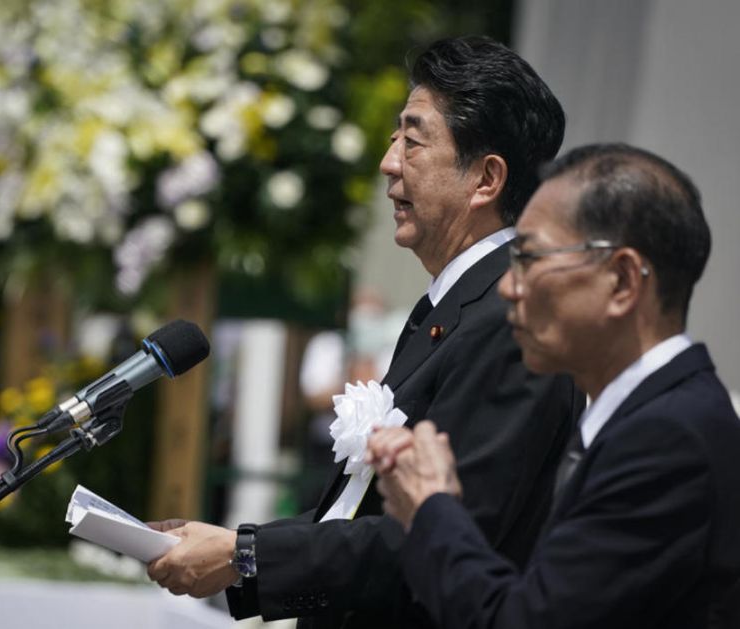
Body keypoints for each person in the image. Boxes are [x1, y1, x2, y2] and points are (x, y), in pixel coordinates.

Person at [147, 36, 585, 627]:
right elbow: (363, 511)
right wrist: (235, 545)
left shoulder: (510, 324)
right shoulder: (454, 306)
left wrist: (244, 555)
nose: (388, 161)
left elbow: (447, 536)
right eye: (393, 138)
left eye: (413, 140)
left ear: (486, 179)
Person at [368, 143, 740, 629]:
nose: (508, 287)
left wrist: (431, 508)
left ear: (623, 281)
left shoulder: (668, 439)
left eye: (530, 257)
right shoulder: (656, 417)